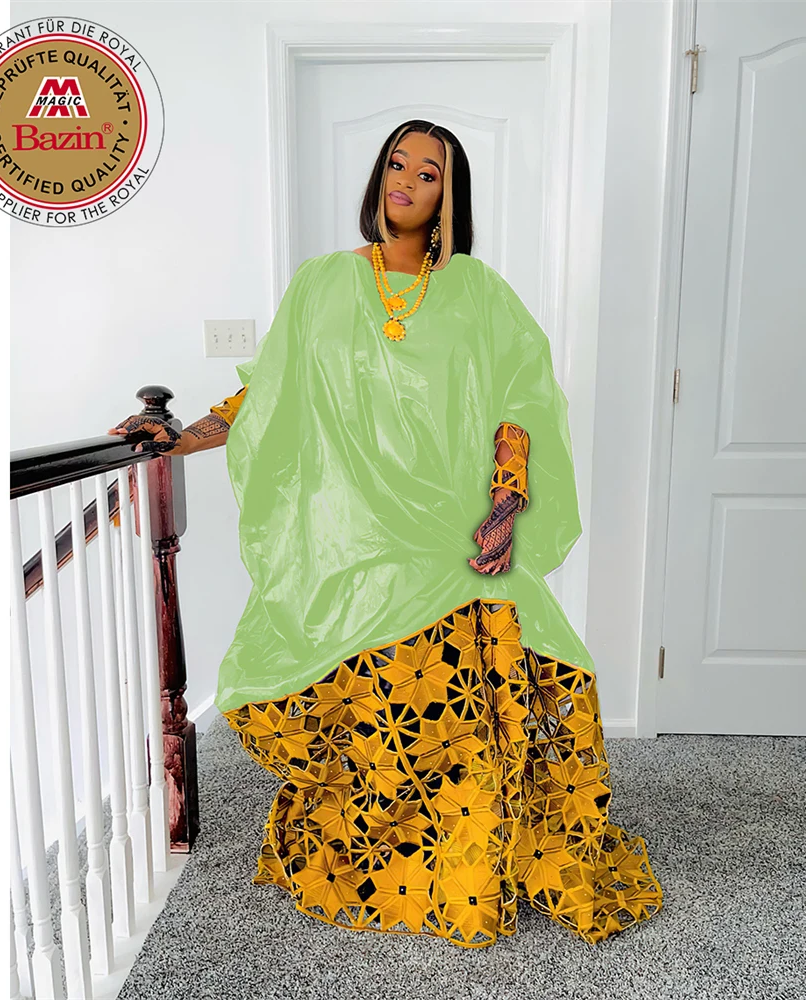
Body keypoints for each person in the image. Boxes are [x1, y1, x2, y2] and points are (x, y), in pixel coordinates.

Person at [108, 120, 662, 949]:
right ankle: (382, 849)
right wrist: (182, 438)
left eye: (428, 172)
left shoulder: (478, 292)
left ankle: (466, 862)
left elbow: (520, 401)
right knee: (362, 702)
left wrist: (506, 503)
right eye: (397, 163)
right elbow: (269, 393)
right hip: (358, 533)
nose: (406, 180)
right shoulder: (322, 283)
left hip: (453, 529)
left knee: (482, 698)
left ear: (449, 196)